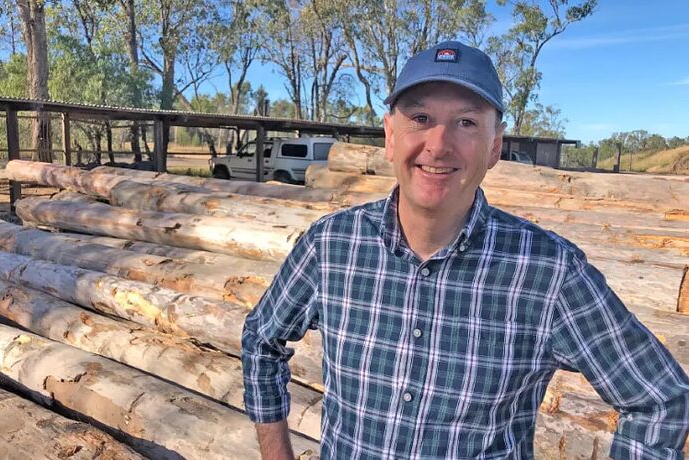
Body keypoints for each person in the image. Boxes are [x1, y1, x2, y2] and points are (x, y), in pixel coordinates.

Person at [242, 41, 689, 459]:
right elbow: (261, 340)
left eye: (466, 122)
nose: (438, 144)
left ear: (494, 146)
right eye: (420, 118)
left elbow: (659, 400)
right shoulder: (331, 246)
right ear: (390, 136)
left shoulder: (549, 274)